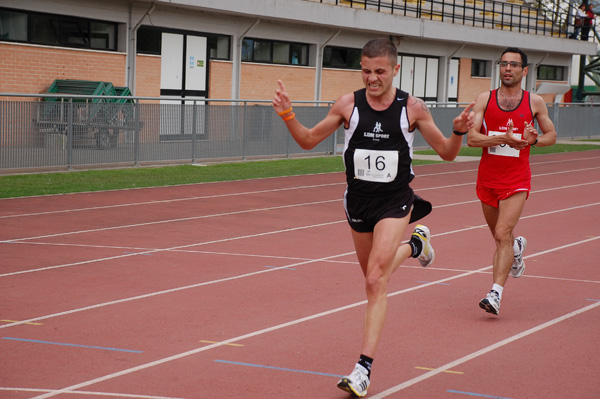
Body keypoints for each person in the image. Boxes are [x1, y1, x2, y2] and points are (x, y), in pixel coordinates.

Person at [272, 38, 473, 397]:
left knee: (375, 280)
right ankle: (416, 245)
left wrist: (457, 130)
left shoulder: (412, 108)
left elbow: (446, 153)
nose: (372, 78)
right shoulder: (348, 105)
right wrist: (288, 114)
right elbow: (307, 140)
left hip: (395, 201)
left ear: (396, 70)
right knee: (372, 275)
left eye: (379, 71)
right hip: (358, 203)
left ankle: (362, 369)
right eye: (366, 71)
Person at [467, 47, 557, 316]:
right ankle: (517, 249)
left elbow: (552, 135)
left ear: (524, 70)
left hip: (517, 179)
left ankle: (495, 293)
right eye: (504, 64)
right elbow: (472, 139)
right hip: (487, 179)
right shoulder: (485, 98)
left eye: (514, 65)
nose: (508, 69)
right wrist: (501, 139)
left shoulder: (534, 102)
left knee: (501, 233)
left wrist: (535, 141)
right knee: (501, 239)